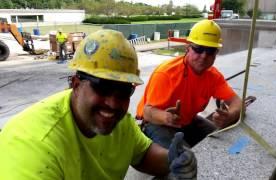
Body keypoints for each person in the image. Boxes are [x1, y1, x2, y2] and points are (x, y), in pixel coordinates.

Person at [0, 30, 197, 180]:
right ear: (76, 85)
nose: (112, 103)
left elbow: (142, 154)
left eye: (123, 92)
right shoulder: (36, 146)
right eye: (102, 88)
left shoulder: (121, 124)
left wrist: (174, 160)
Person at [136, 19, 242, 149]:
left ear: (216, 53)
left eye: (210, 51)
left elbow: (237, 102)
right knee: (186, 159)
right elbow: (147, 112)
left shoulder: (213, 76)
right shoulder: (166, 74)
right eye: (198, 49)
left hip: (187, 122)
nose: (203, 56)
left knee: (219, 141)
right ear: (188, 48)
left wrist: (230, 115)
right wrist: (166, 117)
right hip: (156, 124)